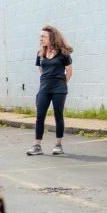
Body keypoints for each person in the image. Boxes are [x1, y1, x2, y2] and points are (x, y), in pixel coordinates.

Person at [28, 25, 74, 156]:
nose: (40, 38)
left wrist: (60, 84)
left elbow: (69, 73)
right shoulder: (40, 54)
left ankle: (58, 145)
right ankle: (37, 146)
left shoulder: (63, 53)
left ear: (51, 37)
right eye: (40, 36)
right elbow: (42, 71)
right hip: (44, 88)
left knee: (58, 115)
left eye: (43, 36)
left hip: (59, 89)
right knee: (39, 116)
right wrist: (46, 83)